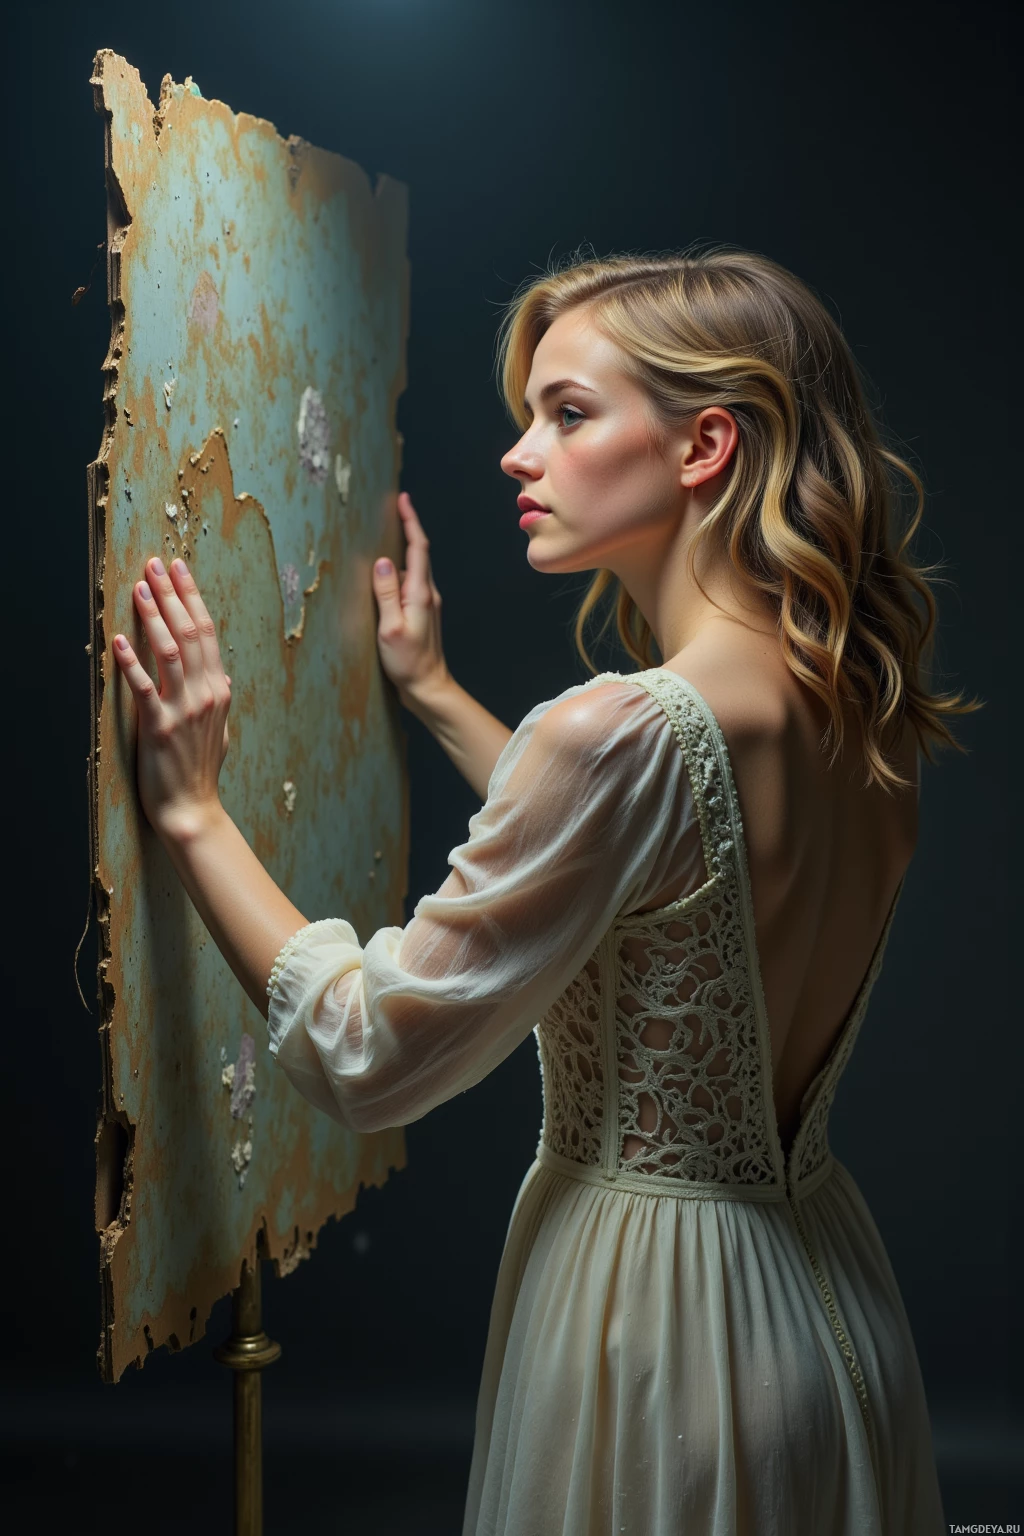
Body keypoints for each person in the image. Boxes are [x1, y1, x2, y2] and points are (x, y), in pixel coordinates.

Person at [112, 248, 974, 1535]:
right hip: (827, 1310)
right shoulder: (861, 716)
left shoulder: (621, 734)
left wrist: (190, 811)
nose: (519, 455)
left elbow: (368, 1051)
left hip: (656, 1333)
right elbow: (652, 864)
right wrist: (436, 693)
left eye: (567, 414)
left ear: (705, 446)